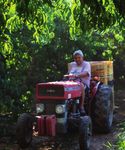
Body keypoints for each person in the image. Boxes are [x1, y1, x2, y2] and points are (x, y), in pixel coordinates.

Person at [68, 50, 91, 115]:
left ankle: (81, 106)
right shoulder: (72, 64)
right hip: (71, 83)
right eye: (75, 58)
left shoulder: (86, 64)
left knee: (80, 85)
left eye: (79, 57)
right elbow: (69, 73)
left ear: (82, 57)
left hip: (83, 84)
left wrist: (76, 75)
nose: (77, 59)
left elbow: (86, 73)